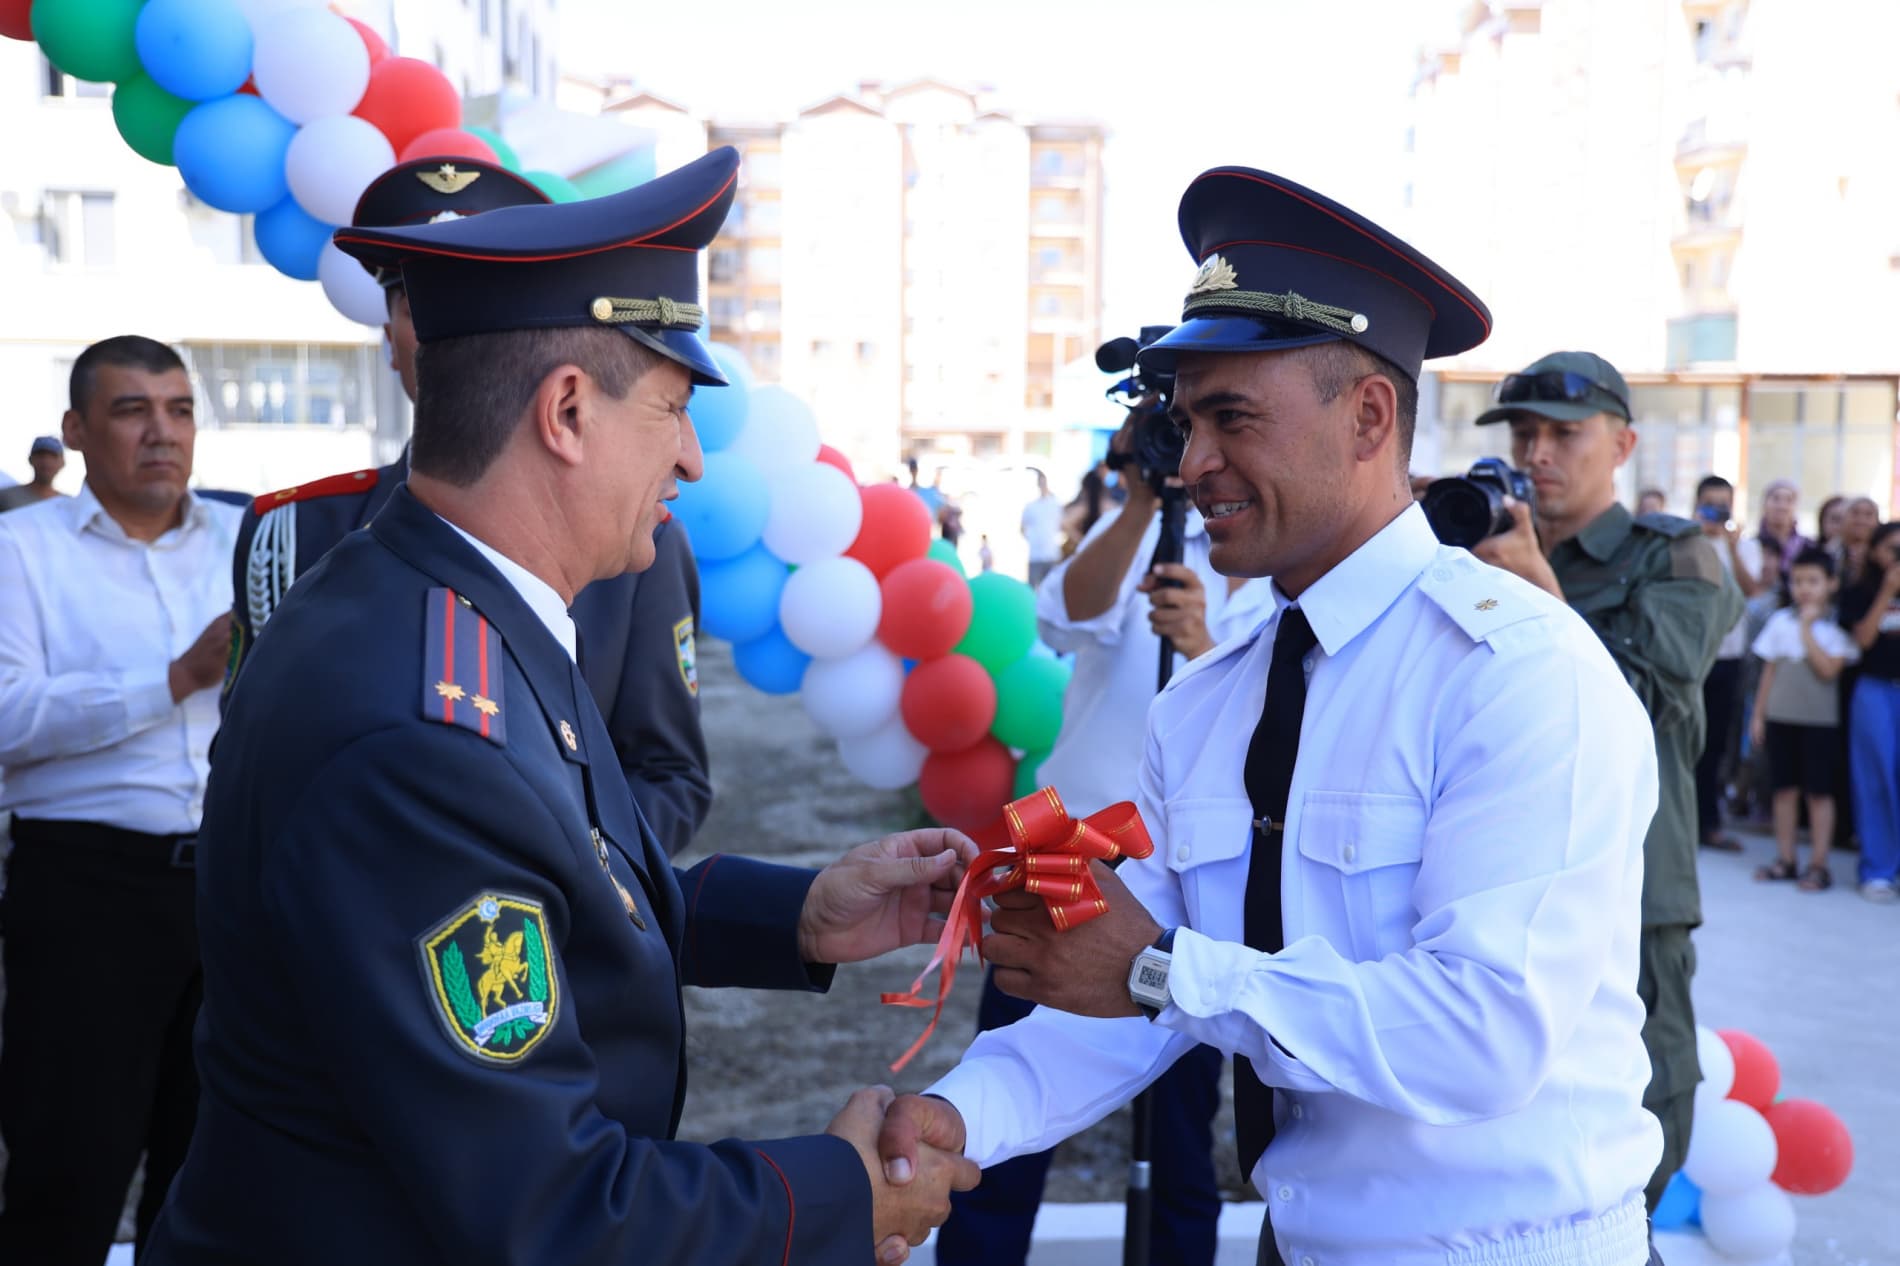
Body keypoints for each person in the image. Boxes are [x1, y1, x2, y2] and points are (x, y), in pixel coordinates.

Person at [142, 149, 979, 1266]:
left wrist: (799, 915)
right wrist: (832, 1197)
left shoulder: (444, 608)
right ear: (568, 412)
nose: (688, 456)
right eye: (673, 409)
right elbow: (550, 1209)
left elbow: (548, 888)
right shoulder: (422, 725)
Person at [880, 166, 1665, 1266]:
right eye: (1185, 418)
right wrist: (960, 1119)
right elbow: (1115, 984)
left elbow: (1479, 1034)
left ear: (1369, 416)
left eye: (1231, 417)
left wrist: (1164, 971)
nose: (1193, 462)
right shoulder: (1211, 689)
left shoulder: (1516, 672)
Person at [224, 156, 712, 858]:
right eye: (421, 301)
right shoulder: (294, 531)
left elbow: (665, 773)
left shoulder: (639, 537)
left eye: (492, 291)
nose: (448, 327)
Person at [934, 402, 1275, 1266]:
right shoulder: (1132, 537)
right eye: (1176, 434)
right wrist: (1140, 501)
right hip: (1069, 847)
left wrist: (1200, 643)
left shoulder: (1274, 575)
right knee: (1020, 1062)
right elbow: (1063, 617)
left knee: (1181, 1119)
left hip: (1193, 873)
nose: (1196, 459)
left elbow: (1265, 731)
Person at [1467, 350, 1742, 1213]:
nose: (1539, 452)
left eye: (1565, 433)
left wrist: (1540, 592)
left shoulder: (1676, 558)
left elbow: (1640, 700)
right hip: (1494, 880)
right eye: (1524, 432)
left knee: (1642, 1118)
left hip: (1634, 890)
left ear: (1621, 444)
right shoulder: (1476, 551)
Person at [0, 336, 243, 1263]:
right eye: (132, 410)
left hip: (228, 889)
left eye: (179, 410)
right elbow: (8, 715)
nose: (162, 433)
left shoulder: (246, 535)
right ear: (75, 430)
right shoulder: (20, 549)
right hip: (85, 891)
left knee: (212, 1176)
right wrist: (175, 677)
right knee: (68, 1176)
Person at [1748, 547, 1857, 890]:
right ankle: (1786, 858)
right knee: (1784, 791)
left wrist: (1808, 629)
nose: (1805, 588)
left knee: (1819, 794)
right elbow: (1769, 671)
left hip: (1819, 725)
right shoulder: (1780, 622)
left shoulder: (1837, 627)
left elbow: (1828, 670)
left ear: (1831, 583)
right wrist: (1758, 716)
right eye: (1797, 581)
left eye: (1813, 581)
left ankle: (1819, 864)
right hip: (1781, 719)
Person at [1690, 475, 1762, 852]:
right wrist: (1700, 537)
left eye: (1724, 503)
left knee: (1716, 744)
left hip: (1728, 657)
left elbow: (1752, 591)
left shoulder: (1745, 548)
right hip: (1689, 657)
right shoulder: (1685, 542)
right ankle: (1681, 824)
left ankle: (1709, 823)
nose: (1717, 510)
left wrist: (1731, 547)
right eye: (1710, 503)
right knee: (1685, 744)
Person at [1839, 521, 1900, 902]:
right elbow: (1862, 639)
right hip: (1874, 692)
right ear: (1876, 552)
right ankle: (1878, 869)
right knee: (1875, 779)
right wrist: (1888, 590)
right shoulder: (1860, 591)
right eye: (1892, 549)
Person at [1021, 469, 1065, 588]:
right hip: (1035, 555)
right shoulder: (1030, 506)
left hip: (1051, 554)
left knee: (1051, 589)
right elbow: (1022, 527)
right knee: (1033, 588)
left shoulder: (1056, 504)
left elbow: (1063, 524)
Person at [0, 436, 67, 511]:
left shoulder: (70, 505)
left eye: (53, 456)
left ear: (62, 463)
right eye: (41, 455)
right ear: (30, 459)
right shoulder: (6, 498)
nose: (46, 461)